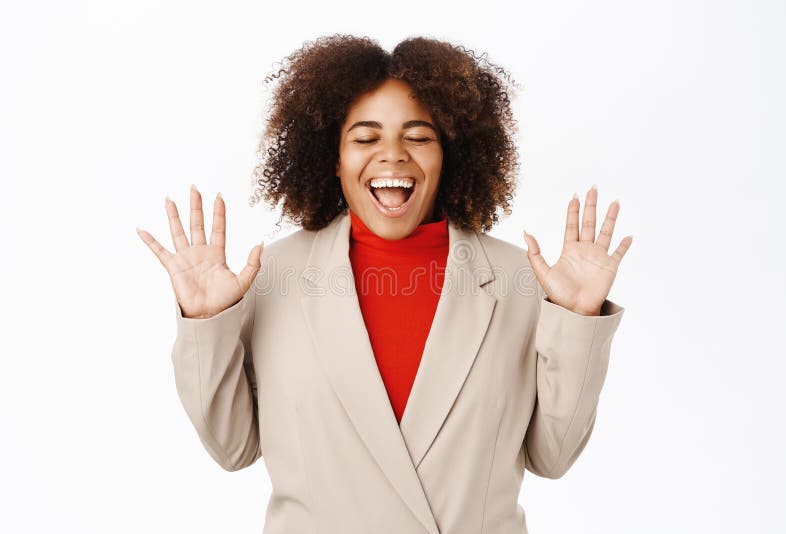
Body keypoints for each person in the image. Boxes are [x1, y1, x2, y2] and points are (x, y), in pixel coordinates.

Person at [136, 35, 631, 534]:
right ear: (333, 158)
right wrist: (204, 323)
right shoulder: (271, 277)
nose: (392, 156)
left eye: (418, 136)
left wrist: (578, 320)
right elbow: (231, 447)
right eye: (366, 138)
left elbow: (554, 455)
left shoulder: (521, 280)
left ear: (449, 154)